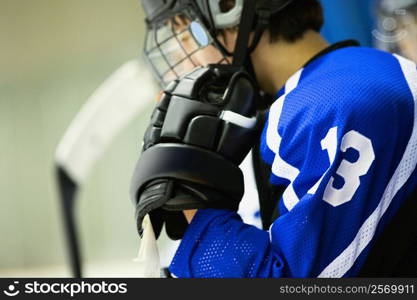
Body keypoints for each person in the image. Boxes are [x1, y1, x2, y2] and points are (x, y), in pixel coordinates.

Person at [131, 0, 417, 277]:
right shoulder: (316, 92)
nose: (186, 58)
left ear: (230, 7)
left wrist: (193, 200)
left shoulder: (339, 99)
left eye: (190, 34)